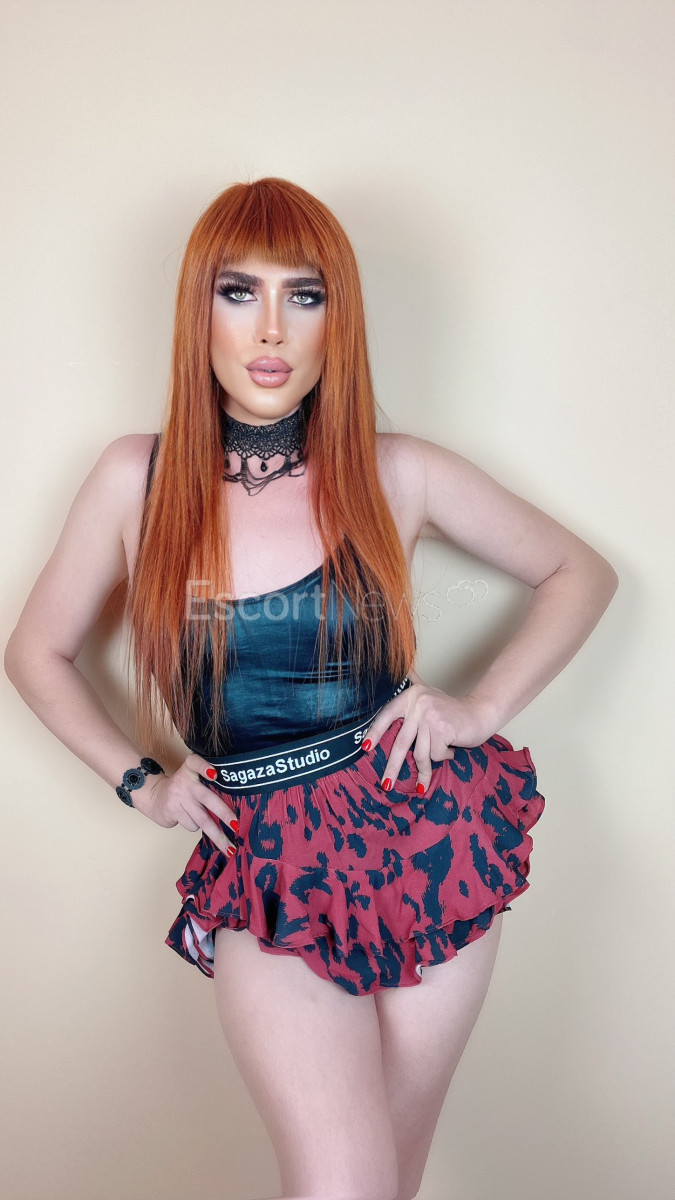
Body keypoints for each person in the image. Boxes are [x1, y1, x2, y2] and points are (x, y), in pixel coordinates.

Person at [4, 176, 618, 1200]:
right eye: (238, 292)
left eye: (306, 294)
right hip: (268, 863)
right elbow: (35, 651)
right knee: (344, 1183)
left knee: (387, 1182)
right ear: (198, 309)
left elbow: (578, 572)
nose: (272, 329)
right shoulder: (134, 479)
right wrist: (144, 784)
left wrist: (479, 710)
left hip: (427, 833)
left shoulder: (396, 471)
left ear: (340, 317)